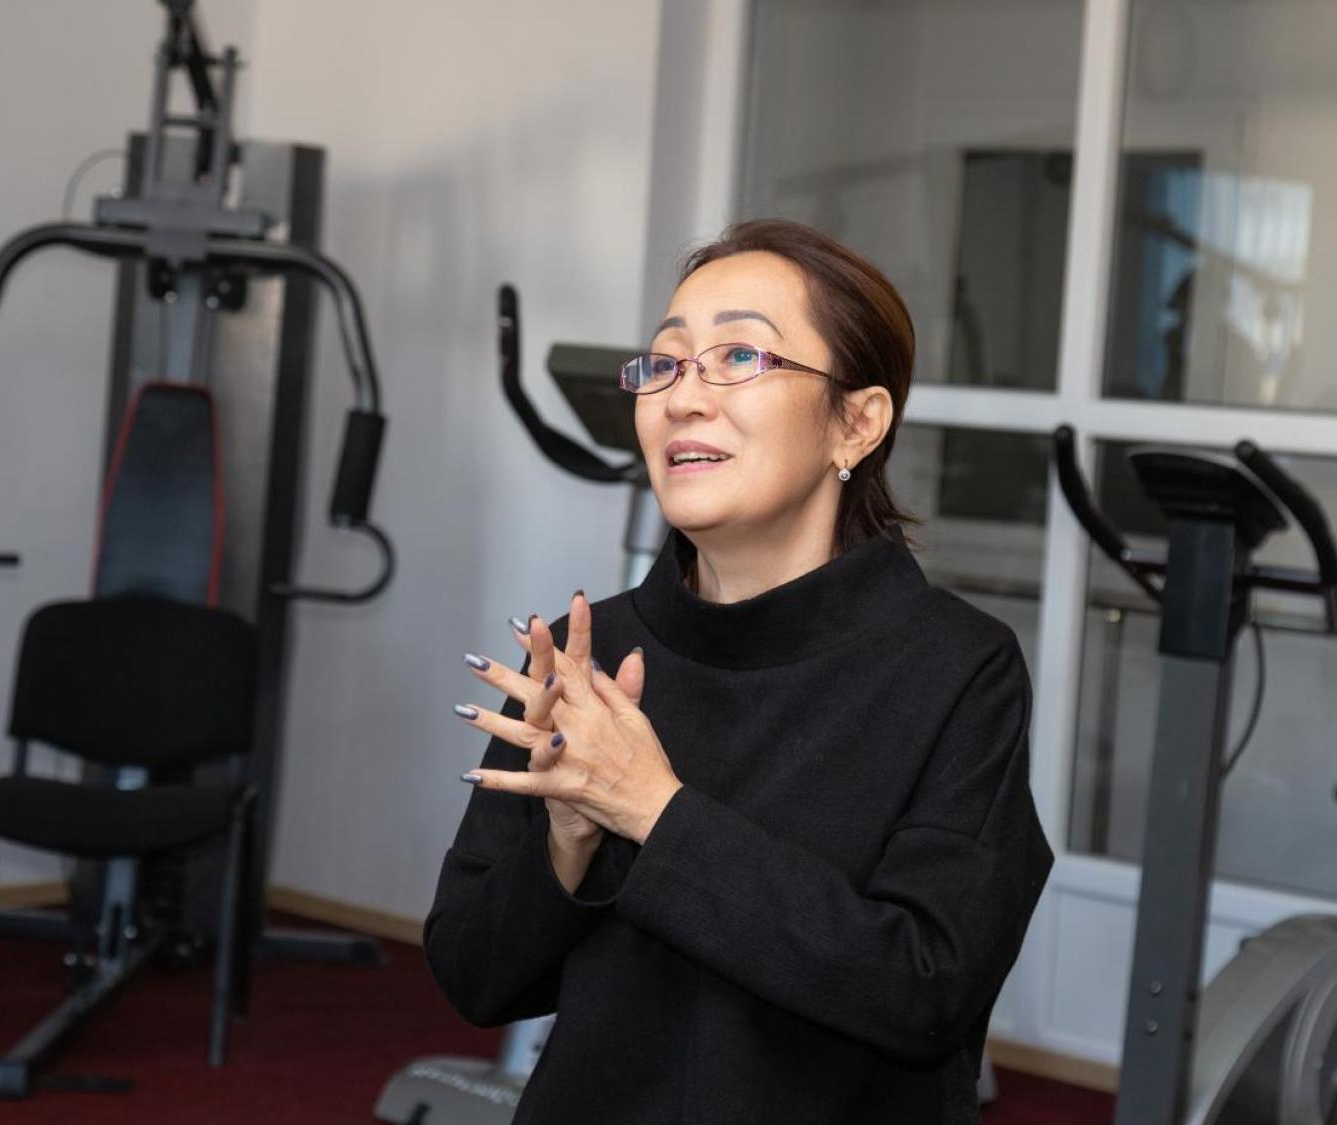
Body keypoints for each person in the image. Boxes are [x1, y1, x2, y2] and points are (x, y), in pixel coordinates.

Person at [425, 218, 1053, 1123]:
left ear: (857, 423)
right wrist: (569, 840)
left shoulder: (958, 667)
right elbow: (471, 973)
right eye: (666, 362)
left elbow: (924, 988)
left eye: (740, 357)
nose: (683, 396)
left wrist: (652, 811)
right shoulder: (587, 652)